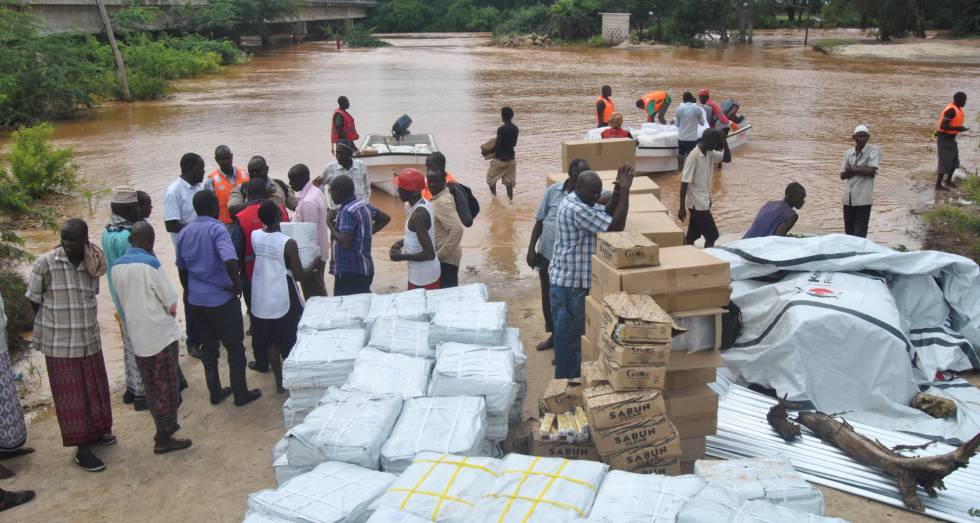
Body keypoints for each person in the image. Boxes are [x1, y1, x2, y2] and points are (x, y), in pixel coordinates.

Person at [27, 219, 114, 472]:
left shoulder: (93, 261)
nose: (66, 243)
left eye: (72, 239)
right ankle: (82, 450)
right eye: (63, 238)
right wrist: (53, 326)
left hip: (88, 340)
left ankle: (98, 433)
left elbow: (93, 294)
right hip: (61, 346)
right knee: (72, 400)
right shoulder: (46, 263)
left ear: (85, 239)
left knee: (95, 391)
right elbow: (34, 299)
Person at [109, 222, 192, 454]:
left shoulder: (116, 266)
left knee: (152, 386)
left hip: (137, 335)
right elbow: (170, 300)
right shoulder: (150, 264)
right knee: (169, 385)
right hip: (160, 335)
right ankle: (164, 437)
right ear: (150, 241)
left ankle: (162, 429)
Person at [176, 191, 261, 407]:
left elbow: (182, 268)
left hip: (197, 300)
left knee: (209, 347)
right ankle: (240, 393)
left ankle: (215, 392)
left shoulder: (185, 233)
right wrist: (236, 284)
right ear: (215, 207)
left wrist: (189, 291)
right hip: (221, 298)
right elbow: (230, 260)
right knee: (234, 346)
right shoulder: (217, 229)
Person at [549, 167, 633, 379]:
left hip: (568, 282)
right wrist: (626, 191)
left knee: (573, 339)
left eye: (598, 193)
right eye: (592, 193)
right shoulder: (577, 209)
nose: (596, 197)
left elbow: (604, 213)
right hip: (571, 286)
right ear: (577, 187)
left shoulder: (580, 201)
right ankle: (566, 389)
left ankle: (569, 383)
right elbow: (615, 228)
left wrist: (616, 192)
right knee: (572, 340)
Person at [252, 201, 322, 393]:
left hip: (261, 295)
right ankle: (293, 378)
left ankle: (279, 382)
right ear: (278, 217)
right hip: (282, 294)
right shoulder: (287, 242)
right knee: (289, 339)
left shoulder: (255, 235)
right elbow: (298, 274)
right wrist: (315, 262)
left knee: (270, 342)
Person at [527, 158, 593, 352]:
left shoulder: (588, 196)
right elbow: (540, 221)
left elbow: (605, 200)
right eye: (580, 174)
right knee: (548, 300)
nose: (584, 177)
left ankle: (566, 347)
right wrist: (531, 249)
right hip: (546, 256)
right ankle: (554, 338)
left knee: (568, 306)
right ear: (571, 174)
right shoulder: (553, 191)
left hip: (568, 264)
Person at [235, 179, 289, 373]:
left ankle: (262, 362)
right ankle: (286, 358)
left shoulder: (241, 217)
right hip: (281, 276)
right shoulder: (280, 211)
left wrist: (238, 280)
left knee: (259, 324)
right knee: (283, 321)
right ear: (267, 193)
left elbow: (237, 250)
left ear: (247, 195)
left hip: (254, 277)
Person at [102, 186, 146, 411]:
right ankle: (141, 394)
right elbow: (135, 271)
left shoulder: (107, 231)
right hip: (132, 300)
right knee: (139, 347)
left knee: (128, 345)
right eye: (136, 206)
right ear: (128, 208)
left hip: (118, 299)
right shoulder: (127, 236)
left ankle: (131, 388)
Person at [164, 153, 205, 358]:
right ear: (190, 168)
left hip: (203, 250)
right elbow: (170, 223)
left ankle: (208, 334)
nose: (204, 172)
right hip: (187, 254)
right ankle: (193, 340)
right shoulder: (174, 192)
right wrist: (195, 231)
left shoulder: (200, 188)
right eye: (201, 168)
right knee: (191, 295)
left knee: (207, 291)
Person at [678, 128, 731, 248]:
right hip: (698, 205)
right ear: (708, 141)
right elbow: (684, 182)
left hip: (703, 201)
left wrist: (724, 141)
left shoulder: (709, 153)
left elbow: (727, 159)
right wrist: (681, 207)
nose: (716, 146)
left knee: (693, 235)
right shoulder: (693, 157)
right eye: (715, 143)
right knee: (712, 236)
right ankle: (708, 260)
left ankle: (685, 252)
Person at [389, 169, 441, 290]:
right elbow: (418, 236)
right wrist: (401, 242)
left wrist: (401, 257)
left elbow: (429, 254)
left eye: (400, 188)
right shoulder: (425, 203)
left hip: (423, 278)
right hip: (425, 273)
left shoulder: (418, 215)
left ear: (411, 192)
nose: (397, 190)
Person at [288, 163, 329, 298]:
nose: (290, 183)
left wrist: (310, 263)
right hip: (318, 252)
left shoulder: (308, 202)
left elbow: (310, 235)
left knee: (314, 294)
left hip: (312, 257)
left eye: (292, 180)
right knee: (318, 289)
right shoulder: (315, 191)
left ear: (300, 180)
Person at [426, 159, 465, 288]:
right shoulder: (440, 198)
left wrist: (439, 255)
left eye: (435, 182)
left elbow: (458, 229)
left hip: (447, 260)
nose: (431, 185)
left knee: (447, 294)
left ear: (443, 182)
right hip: (447, 257)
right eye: (429, 181)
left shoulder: (442, 202)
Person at [840, 124, 880, 238]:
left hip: (863, 200)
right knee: (849, 233)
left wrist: (851, 169)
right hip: (848, 199)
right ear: (854, 137)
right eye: (859, 136)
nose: (862, 138)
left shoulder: (874, 151)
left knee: (860, 233)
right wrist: (865, 169)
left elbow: (872, 169)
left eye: (864, 136)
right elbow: (842, 175)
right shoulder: (848, 153)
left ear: (868, 137)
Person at [228, 155, 296, 216]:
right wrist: (260, 200)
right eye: (251, 172)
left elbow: (297, 207)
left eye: (258, 171)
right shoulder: (241, 189)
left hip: (277, 228)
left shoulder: (280, 185)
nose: (255, 174)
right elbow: (232, 210)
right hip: (251, 228)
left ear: (266, 169)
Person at [203, 145, 249, 225]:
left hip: (245, 222)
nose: (226, 162)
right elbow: (208, 208)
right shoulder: (211, 182)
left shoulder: (245, 175)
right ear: (216, 160)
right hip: (224, 225)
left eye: (228, 158)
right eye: (222, 159)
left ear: (232, 156)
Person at [320, 140, 370, 209]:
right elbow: (318, 187)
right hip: (338, 212)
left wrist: (366, 204)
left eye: (341, 153)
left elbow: (367, 187)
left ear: (350, 154)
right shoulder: (329, 168)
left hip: (359, 210)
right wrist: (327, 208)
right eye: (337, 153)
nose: (338, 156)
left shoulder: (361, 165)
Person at [484, 106, 519, 202]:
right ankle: (510, 202)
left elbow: (497, 146)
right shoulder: (515, 129)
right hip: (511, 160)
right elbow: (514, 144)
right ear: (511, 116)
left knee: (490, 179)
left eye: (501, 115)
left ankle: (494, 199)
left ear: (503, 116)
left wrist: (486, 152)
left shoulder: (501, 129)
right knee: (509, 183)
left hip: (500, 160)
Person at [936, 92, 968, 191]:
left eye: (965, 100)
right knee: (944, 162)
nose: (964, 102)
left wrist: (959, 129)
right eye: (962, 100)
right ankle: (938, 186)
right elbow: (943, 126)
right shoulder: (951, 110)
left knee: (954, 161)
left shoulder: (958, 109)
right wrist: (958, 128)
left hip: (951, 139)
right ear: (956, 100)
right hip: (944, 139)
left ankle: (948, 181)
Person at [675, 91, 706, 167]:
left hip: (681, 138)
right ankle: (689, 172)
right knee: (691, 156)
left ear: (683, 99)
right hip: (692, 139)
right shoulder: (697, 109)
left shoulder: (679, 109)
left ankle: (680, 171)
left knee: (681, 154)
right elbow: (702, 123)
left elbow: (677, 124)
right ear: (691, 98)